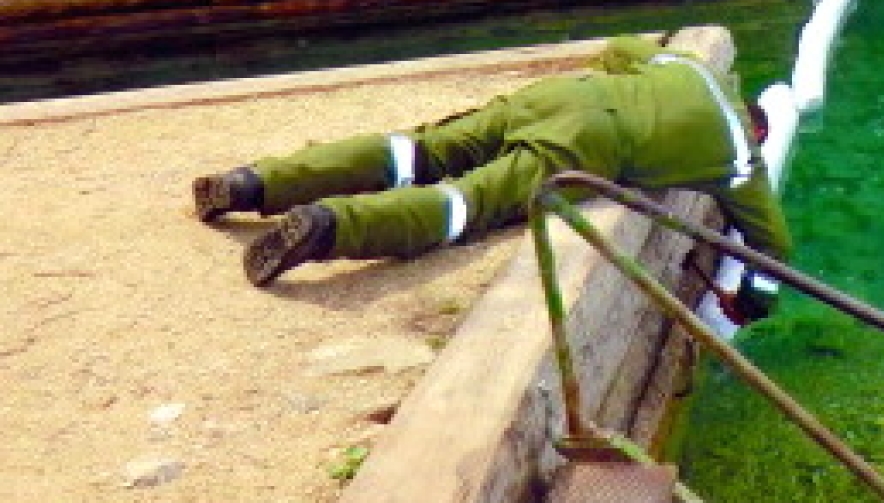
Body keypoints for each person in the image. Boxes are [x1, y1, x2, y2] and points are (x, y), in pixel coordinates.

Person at [191, 35, 791, 322]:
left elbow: (619, 49)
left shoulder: (688, 69)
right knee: (467, 204)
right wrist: (750, 304)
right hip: (586, 145)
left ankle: (251, 184)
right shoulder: (740, 161)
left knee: (419, 151)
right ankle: (328, 227)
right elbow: (773, 248)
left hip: (556, 98)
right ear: (758, 132)